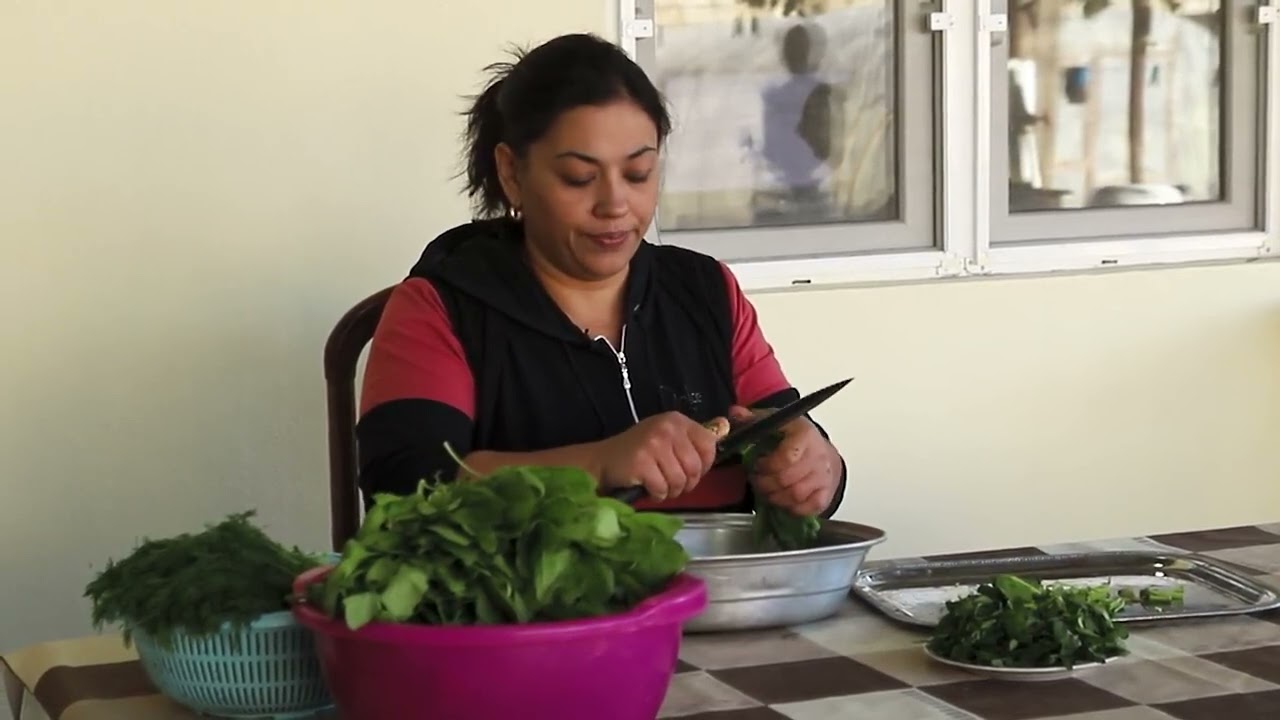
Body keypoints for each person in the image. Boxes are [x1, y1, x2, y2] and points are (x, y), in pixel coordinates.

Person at [356, 33, 847, 518]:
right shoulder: (443, 306)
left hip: (718, 594)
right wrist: (597, 465)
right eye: (579, 178)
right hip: (532, 597)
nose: (615, 205)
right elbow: (406, 492)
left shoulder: (706, 291)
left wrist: (815, 467)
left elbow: (785, 427)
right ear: (511, 173)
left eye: (638, 174)